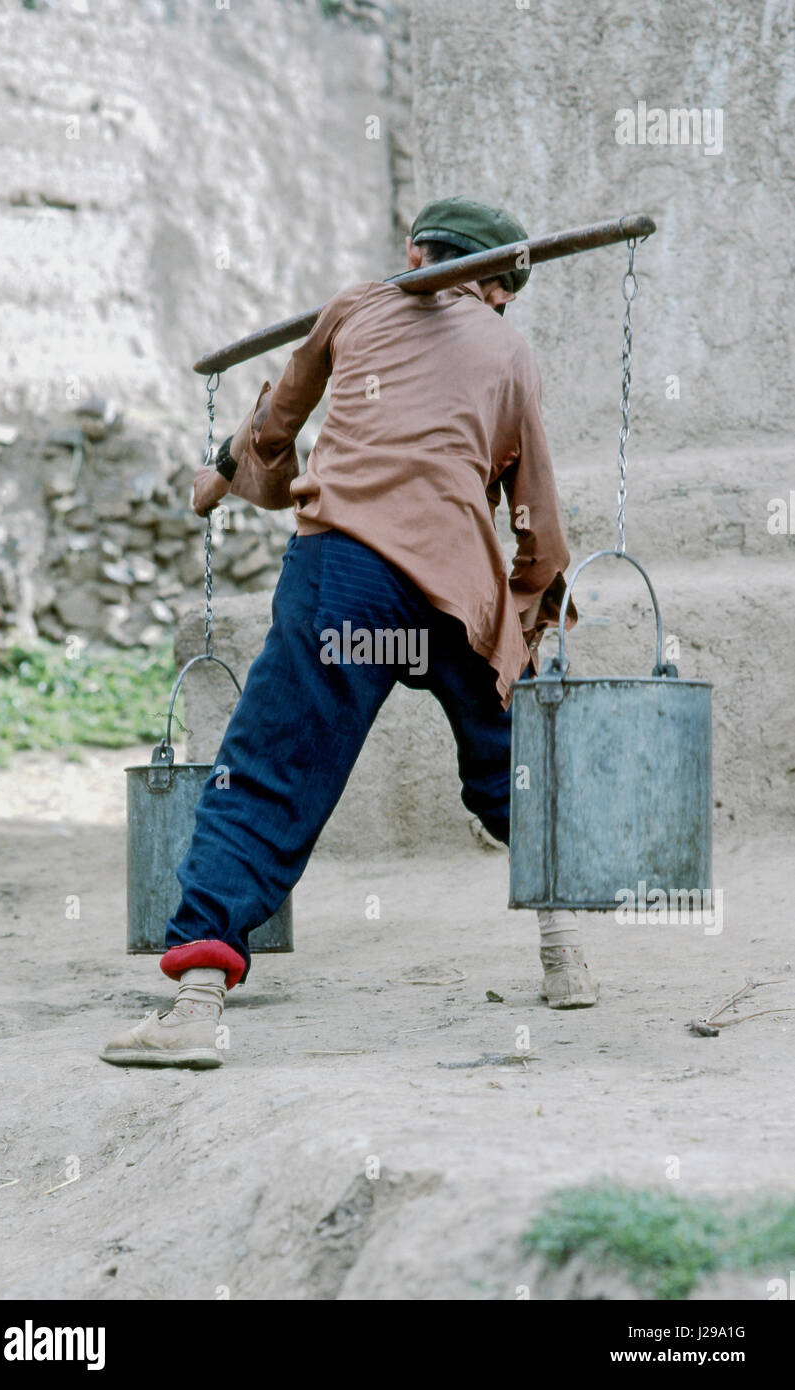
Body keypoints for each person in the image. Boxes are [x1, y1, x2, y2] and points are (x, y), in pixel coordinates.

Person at [101, 196, 597, 1070]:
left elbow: (279, 421)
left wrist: (220, 474)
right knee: (506, 761)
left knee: (272, 766)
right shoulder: (510, 351)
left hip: (347, 579)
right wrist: (531, 607)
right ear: (501, 289)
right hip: (456, 588)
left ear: (414, 252)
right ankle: (564, 953)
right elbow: (534, 504)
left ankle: (196, 1002)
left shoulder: (355, 304)